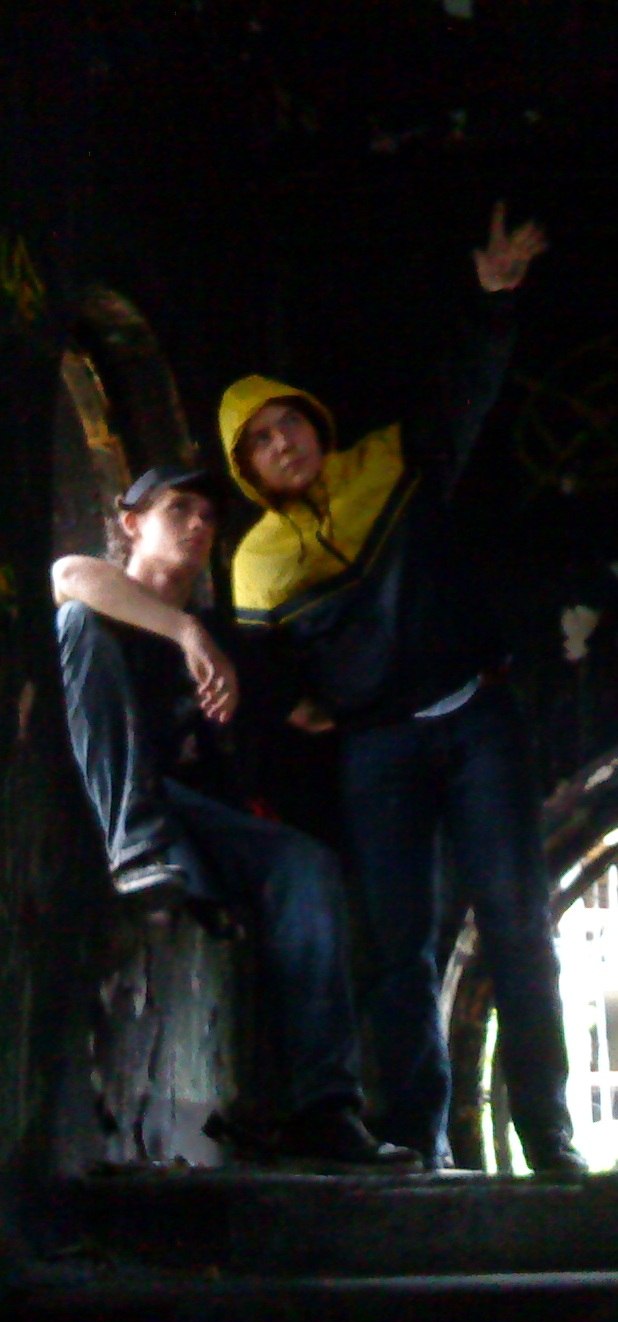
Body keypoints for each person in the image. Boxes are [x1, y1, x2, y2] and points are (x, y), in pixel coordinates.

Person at [218, 201, 587, 1177]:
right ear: (246, 469)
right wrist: (304, 709)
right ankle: (417, 1138)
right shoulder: (256, 563)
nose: (282, 442)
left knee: (516, 922)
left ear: (313, 421)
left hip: (478, 718)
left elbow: (464, 396)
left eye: (288, 421)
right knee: (398, 946)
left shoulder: (385, 460)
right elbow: (258, 678)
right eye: (258, 441)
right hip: (379, 750)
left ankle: (547, 1134)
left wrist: (493, 303)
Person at [51, 464, 422, 1169]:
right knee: (72, 622)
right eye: (178, 509)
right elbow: (68, 575)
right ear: (130, 522)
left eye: (209, 516)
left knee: (306, 865)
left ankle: (326, 1110)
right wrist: (187, 632)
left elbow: (312, 714)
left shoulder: (230, 643)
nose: (198, 524)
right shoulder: (110, 602)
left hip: (192, 825)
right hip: (118, 807)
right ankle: (136, 851)